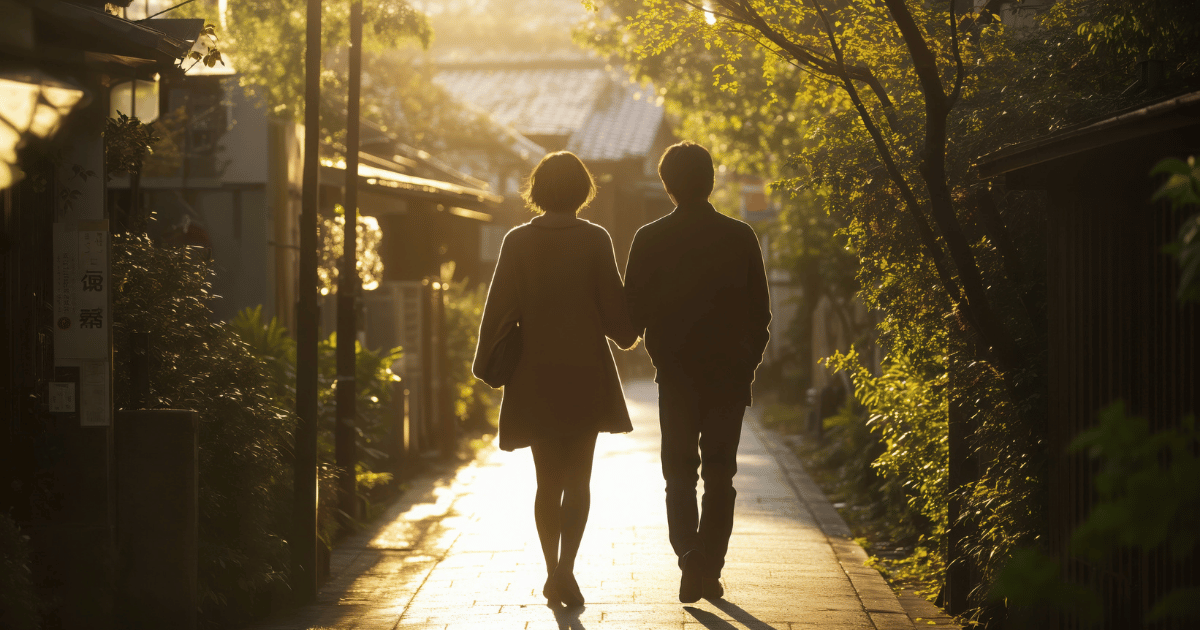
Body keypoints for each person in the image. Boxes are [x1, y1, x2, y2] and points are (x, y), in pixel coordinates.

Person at [472, 151, 638, 608]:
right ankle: (565, 572)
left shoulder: (517, 241)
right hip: (586, 369)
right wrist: (632, 327)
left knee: (546, 480)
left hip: (534, 372)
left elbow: (498, 311)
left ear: (537, 190)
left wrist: (486, 362)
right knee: (580, 477)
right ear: (583, 191)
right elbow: (616, 317)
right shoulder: (595, 239)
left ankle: (551, 570)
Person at [623, 142, 771, 603]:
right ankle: (709, 563)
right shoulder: (740, 235)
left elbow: (631, 316)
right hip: (728, 374)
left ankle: (688, 552)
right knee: (721, 475)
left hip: (676, 374)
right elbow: (760, 314)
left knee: (680, 474)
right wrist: (746, 362)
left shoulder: (648, 238)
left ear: (666, 185)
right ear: (711, 180)